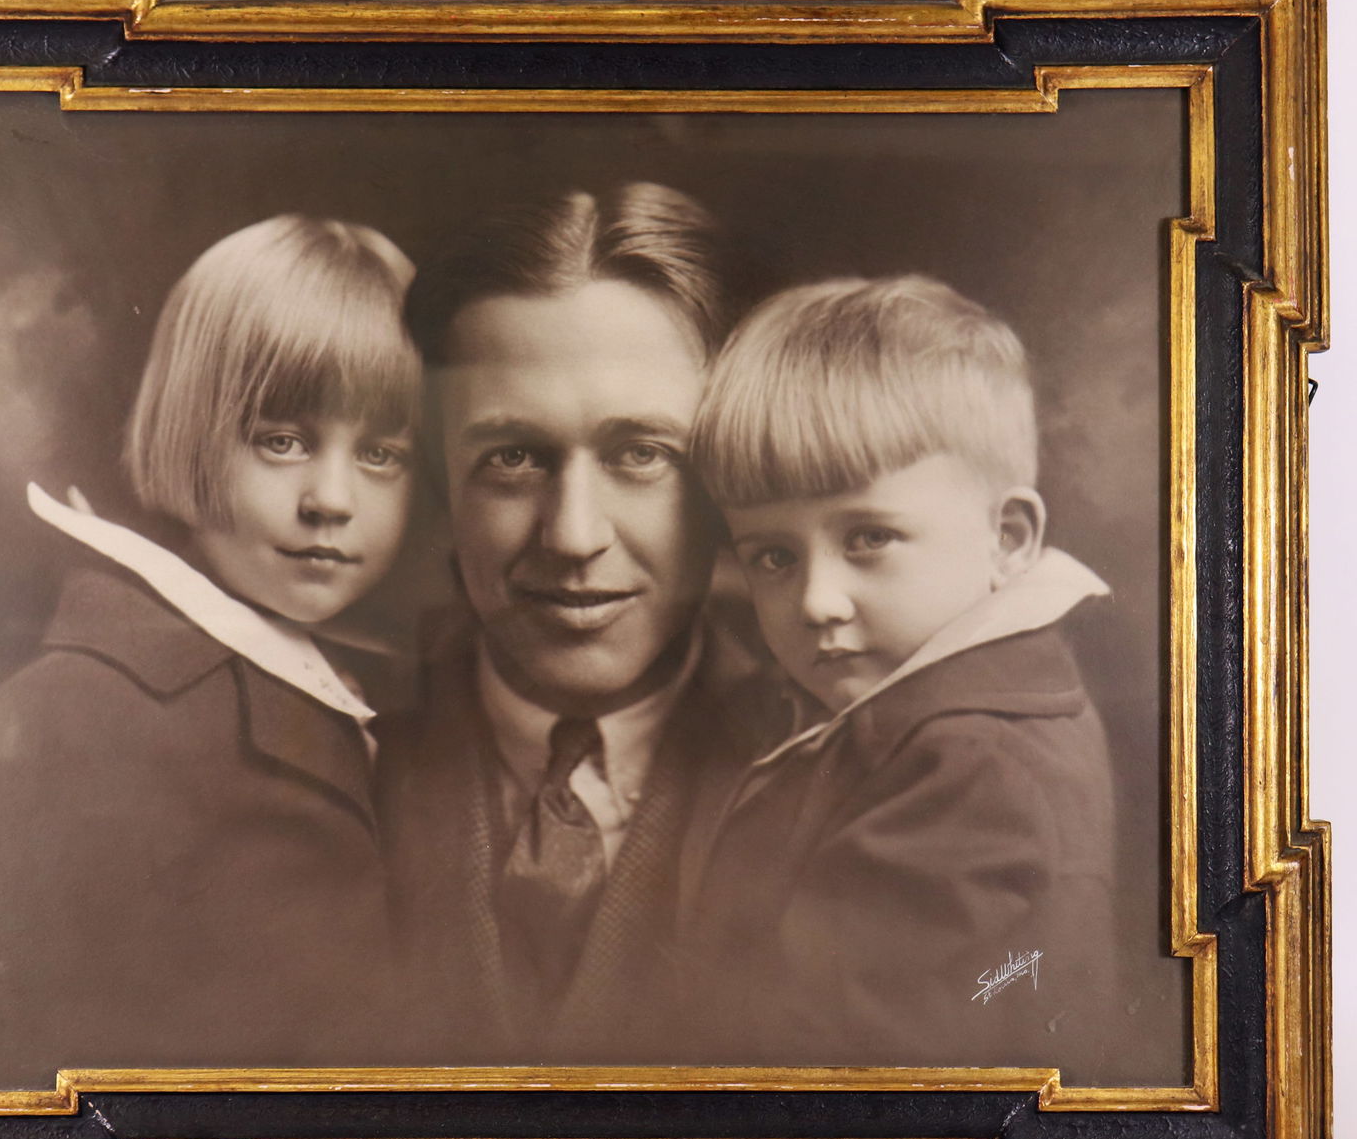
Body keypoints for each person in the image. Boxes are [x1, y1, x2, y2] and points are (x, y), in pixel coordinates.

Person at [0, 214, 420, 1087]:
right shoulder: (93, 716)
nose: (332, 499)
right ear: (190, 429)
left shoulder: (316, 676)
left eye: (381, 453)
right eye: (282, 440)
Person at [683, 274, 1123, 1080]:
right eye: (773, 556)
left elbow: (834, 1067)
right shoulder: (962, 713)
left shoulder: (970, 764)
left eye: (869, 539)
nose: (816, 601)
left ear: (1009, 537)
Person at [378, 183, 768, 1064]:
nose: (574, 535)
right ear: (441, 484)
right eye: (512, 458)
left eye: (643, 455)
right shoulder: (337, 747)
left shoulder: (842, 758)